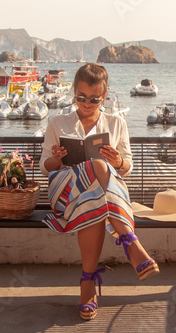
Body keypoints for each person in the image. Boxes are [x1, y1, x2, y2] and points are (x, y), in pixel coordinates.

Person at [39, 63, 159, 320]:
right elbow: (44, 169)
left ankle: (87, 284)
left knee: (95, 195)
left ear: (104, 96)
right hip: (65, 193)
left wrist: (117, 162)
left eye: (94, 99)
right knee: (97, 169)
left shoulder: (116, 123)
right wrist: (57, 159)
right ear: (73, 92)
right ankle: (130, 242)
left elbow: (127, 167)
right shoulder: (57, 123)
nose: (86, 103)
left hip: (100, 198)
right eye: (81, 97)